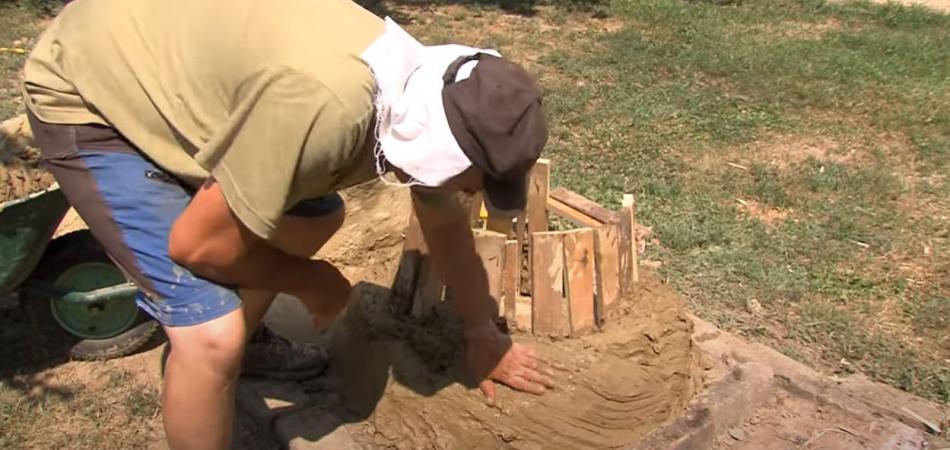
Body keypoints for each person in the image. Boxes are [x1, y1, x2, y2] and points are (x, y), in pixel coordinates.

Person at [22, 0, 554, 448]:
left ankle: (244, 349)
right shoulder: (329, 108)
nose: (474, 192)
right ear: (442, 147)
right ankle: (224, 354)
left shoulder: (424, 96)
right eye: (474, 178)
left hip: (172, 67)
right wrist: (315, 282)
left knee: (313, 216)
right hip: (91, 89)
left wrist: (482, 332)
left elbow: (444, 224)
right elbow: (194, 247)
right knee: (211, 333)